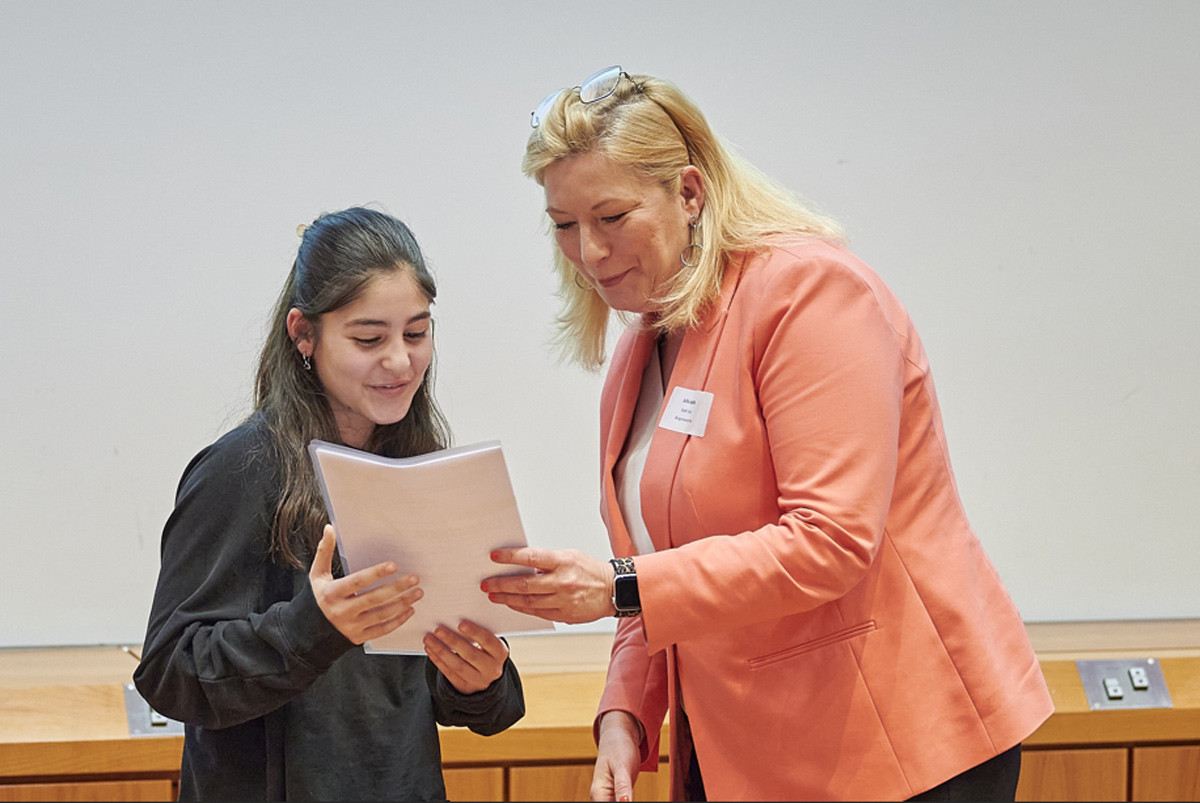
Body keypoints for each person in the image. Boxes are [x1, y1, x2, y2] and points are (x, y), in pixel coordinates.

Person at [484, 67, 1053, 801]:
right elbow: (653, 571)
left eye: (610, 217)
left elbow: (831, 540)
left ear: (689, 193)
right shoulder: (637, 353)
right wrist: (625, 710)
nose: (588, 251)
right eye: (564, 224)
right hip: (744, 751)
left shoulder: (808, 292)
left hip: (898, 745)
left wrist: (617, 587)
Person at [134, 207, 524, 801]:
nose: (400, 361)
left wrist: (479, 681)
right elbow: (168, 672)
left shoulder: (421, 466)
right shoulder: (239, 470)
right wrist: (312, 626)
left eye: (417, 333)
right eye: (369, 338)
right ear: (303, 334)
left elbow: (462, 699)